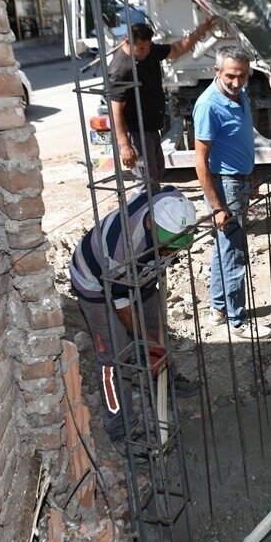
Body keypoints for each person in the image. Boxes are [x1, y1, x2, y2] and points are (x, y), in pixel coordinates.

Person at [70, 187, 200, 445]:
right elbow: (123, 307)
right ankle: (121, 429)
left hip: (140, 275)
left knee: (155, 326)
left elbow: (157, 187)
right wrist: (147, 339)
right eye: (167, 247)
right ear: (151, 222)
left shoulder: (171, 202)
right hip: (96, 283)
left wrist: (152, 339)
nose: (171, 254)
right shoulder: (122, 250)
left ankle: (164, 377)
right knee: (115, 358)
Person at [107, 17, 217, 187]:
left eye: (148, 47)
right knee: (147, 183)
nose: (146, 51)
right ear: (127, 42)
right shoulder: (120, 70)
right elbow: (116, 112)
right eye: (141, 48)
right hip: (136, 132)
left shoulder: (149, 50)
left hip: (151, 127)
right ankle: (146, 204)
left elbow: (176, 49)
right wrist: (125, 146)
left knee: (157, 174)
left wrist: (200, 31)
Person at [193, 47, 257, 339]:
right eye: (231, 75)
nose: (236, 81)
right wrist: (218, 206)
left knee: (225, 248)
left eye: (242, 75)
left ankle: (219, 309)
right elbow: (200, 161)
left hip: (239, 181)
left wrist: (250, 173)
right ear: (216, 71)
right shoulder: (209, 105)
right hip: (225, 185)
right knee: (234, 253)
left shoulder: (239, 94)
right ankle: (238, 320)